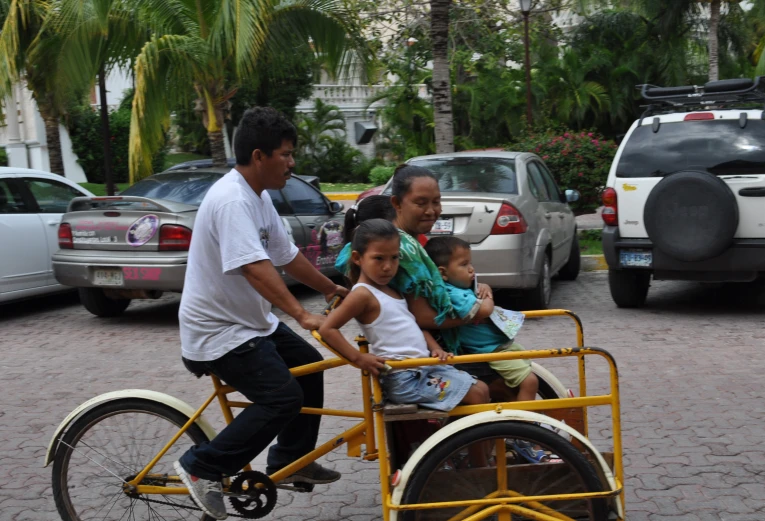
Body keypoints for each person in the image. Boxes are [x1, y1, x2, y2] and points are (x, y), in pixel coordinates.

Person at [173, 107, 347, 520]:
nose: (291, 163)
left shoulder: (259, 196)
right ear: (258, 156)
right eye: (285, 154)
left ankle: (291, 460)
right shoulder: (232, 200)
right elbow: (255, 266)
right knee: (282, 396)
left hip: (249, 325)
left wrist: (332, 289)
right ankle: (201, 468)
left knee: (309, 364)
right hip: (217, 333)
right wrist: (301, 315)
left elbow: (286, 256)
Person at [318, 219, 490, 411]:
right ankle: (469, 441)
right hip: (403, 377)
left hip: (424, 367)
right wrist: (359, 358)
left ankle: (471, 440)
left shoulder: (391, 289)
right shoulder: (362, 294)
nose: (388, 267)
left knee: (482, 389)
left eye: (394, 258)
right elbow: (327, 329)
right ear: (358, 258)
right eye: (379, 258)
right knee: (477, 394)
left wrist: (434, 348)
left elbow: (411, 325)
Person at [424, 236, 539, 402]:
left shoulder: (460, 288)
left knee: (523, 380)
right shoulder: (452, 294)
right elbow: (485, 309)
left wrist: (483, 286)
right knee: (530, 382)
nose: (471, 269)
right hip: (491, 350)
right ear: (443, 273)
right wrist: (488, 295)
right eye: (464, 265)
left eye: (470, 263)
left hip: (499, 346)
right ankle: (526, 423)